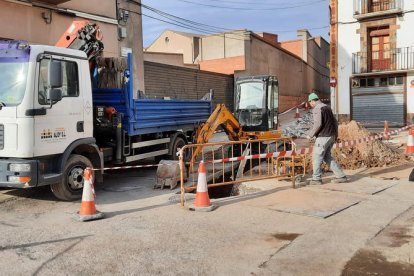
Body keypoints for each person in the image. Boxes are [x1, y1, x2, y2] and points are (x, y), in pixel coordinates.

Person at [306, 92, 347, 184]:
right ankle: (341, 176)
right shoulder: (327, 107)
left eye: (310, 102)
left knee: (316, 157)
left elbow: (318, 124)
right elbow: (335, 122)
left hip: (323, 137)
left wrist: (310, 135)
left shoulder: (317, 108)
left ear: (312, 101)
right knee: (327, 156)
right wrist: (335, 135)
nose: (310, 104)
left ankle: (316, 179)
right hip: (331, 136)